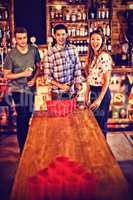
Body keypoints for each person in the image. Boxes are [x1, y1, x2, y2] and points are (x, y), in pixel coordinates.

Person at [3, 27, 41, 154]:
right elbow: (7, 75)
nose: (23, 41)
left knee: (29, 115)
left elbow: (38, 67)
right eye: (19, 38)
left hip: (30, 89)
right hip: (17, 90)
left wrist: (34, 79)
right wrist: (23, 74)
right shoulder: (11, 54)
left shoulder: (33, 50)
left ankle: (27, 144)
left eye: (24, 38)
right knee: (22, 117)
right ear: (15, 39)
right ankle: (23, 148)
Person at [85, 28, 113, 138]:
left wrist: (99, 99)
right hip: (93, 91)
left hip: (102, 93)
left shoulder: (104, 56)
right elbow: (89, 78)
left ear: (102, 41)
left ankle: (103, 153)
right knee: (94, 124)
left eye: (98, 39)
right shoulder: (93, 57)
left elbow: (107, 80)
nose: (95, 42)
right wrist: (86, 95)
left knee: (101, 126)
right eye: (92, 39)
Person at [44, 23, 82, 100]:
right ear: (54, 36)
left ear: (67, 35)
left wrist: (78, 85)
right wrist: (62, 86)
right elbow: (47, 77)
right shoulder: (50, 53)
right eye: (58, 35)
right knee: (59, 112)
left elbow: (77, 70)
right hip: (57, 93)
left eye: (63, 34)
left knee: (72, 112)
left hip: (72, 92)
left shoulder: (73, 49)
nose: (61, 37)